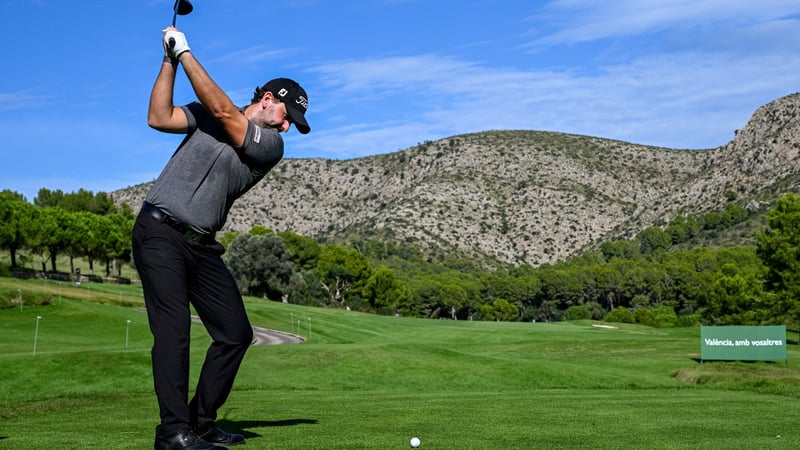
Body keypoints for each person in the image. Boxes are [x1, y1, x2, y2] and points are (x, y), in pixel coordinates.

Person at [132, 26, 310, 450]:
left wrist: (187, 51)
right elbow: (159, 116)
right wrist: (169, 61)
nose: (289, 126)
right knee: (174, 332)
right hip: (159, 232)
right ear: (269, 99)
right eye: (289, 116)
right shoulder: (210, 113)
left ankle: (201, 422)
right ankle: (174, 433)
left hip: (201, 247)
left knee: (235, 333)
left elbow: (228, 114)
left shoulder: (269, 146)